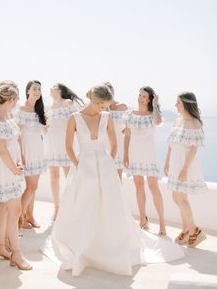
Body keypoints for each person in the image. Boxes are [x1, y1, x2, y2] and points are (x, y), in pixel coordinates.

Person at [49, 84, 184, 277]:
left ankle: (108, 245)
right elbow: (68, 147)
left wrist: (108, 162)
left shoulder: (107, 117)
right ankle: (84, 248)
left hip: (105, 168)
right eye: (102, 105)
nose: (104, 109)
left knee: (110, 207)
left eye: (106, 105)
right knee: (84, 207)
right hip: (83, 167)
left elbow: (113, 144)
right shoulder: (75, 118)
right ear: (94, 101)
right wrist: (78, 164)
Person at [0, 82, 32, 270]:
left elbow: (12, 145)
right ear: (11, 99)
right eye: (15, 100)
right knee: (15, 210)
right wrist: (14, 169)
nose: (16, 103)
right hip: (4, 171)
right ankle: (16, 253)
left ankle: (0, 247)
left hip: (12, 168)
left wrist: (19, 163)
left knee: (4, 210)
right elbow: (1, 150)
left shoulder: (6, 117)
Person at [164, 91, 207, 247]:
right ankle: (189, 229)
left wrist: (185, 169)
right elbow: (171, 144)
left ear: (186, 104)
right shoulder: (177, 121)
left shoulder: (195, 123)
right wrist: (167, 161)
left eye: (178, 103)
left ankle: (194, 230)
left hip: (186, 165)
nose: (175, 105)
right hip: (175, 162)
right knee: (178, 198)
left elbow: (193, 149)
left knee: (180, 198)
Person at [123, 86, 166, 235]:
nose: (140, 98)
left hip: (149, 154)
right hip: (134, 153)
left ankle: (162, 223)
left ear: (149, 99)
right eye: (139, 95)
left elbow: (158, 121)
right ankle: (143, 220)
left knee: (154, 186)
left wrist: (155, 106)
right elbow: (127, 135)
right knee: (138, 185)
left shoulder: (152, 115)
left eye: (143, 96)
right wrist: (125, 155)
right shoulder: (130, 114)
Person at [45, 83, 84, 221]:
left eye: (53, 86)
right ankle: (56, 208)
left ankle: (71, 206)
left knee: (69, 176)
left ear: (59, 90)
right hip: (51, 144)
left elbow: (76, 123)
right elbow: (46, 126)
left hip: (65, 144)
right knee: (54, 177)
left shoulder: (68, 103)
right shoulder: (48, 107)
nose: (49, 88)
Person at [15, 80, 47, 229]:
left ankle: (29, 216)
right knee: (31, 187)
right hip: (26, 151)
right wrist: (20, 155)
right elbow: (17, 134)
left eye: (39, 89)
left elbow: (43, 132)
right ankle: (17, 217)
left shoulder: (39, 110)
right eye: (34, 89)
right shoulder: (21, 109)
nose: (37, 91)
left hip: (38, 151)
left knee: (33, 186)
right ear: (27, 91)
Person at [103, 82, 128, 180]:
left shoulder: (122, 106)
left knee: (118, 176)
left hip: (119, 143)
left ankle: (118, 195)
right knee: (104, 175)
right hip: (104, 143)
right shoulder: (101, 108)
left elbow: (128, 128)